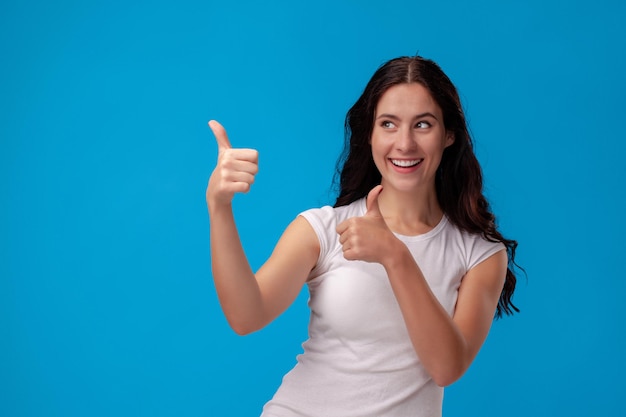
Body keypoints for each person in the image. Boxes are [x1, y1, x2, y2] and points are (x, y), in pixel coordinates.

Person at [206, 55, 519, 417]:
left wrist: (395, 255)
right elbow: (247, 316)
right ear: (369, 134)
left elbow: (446, 368)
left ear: (449, 134)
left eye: (423, 124)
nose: (404, 143)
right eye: (388, 124)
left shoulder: (480, 254)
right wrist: (219, 207)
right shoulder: (322, 229)